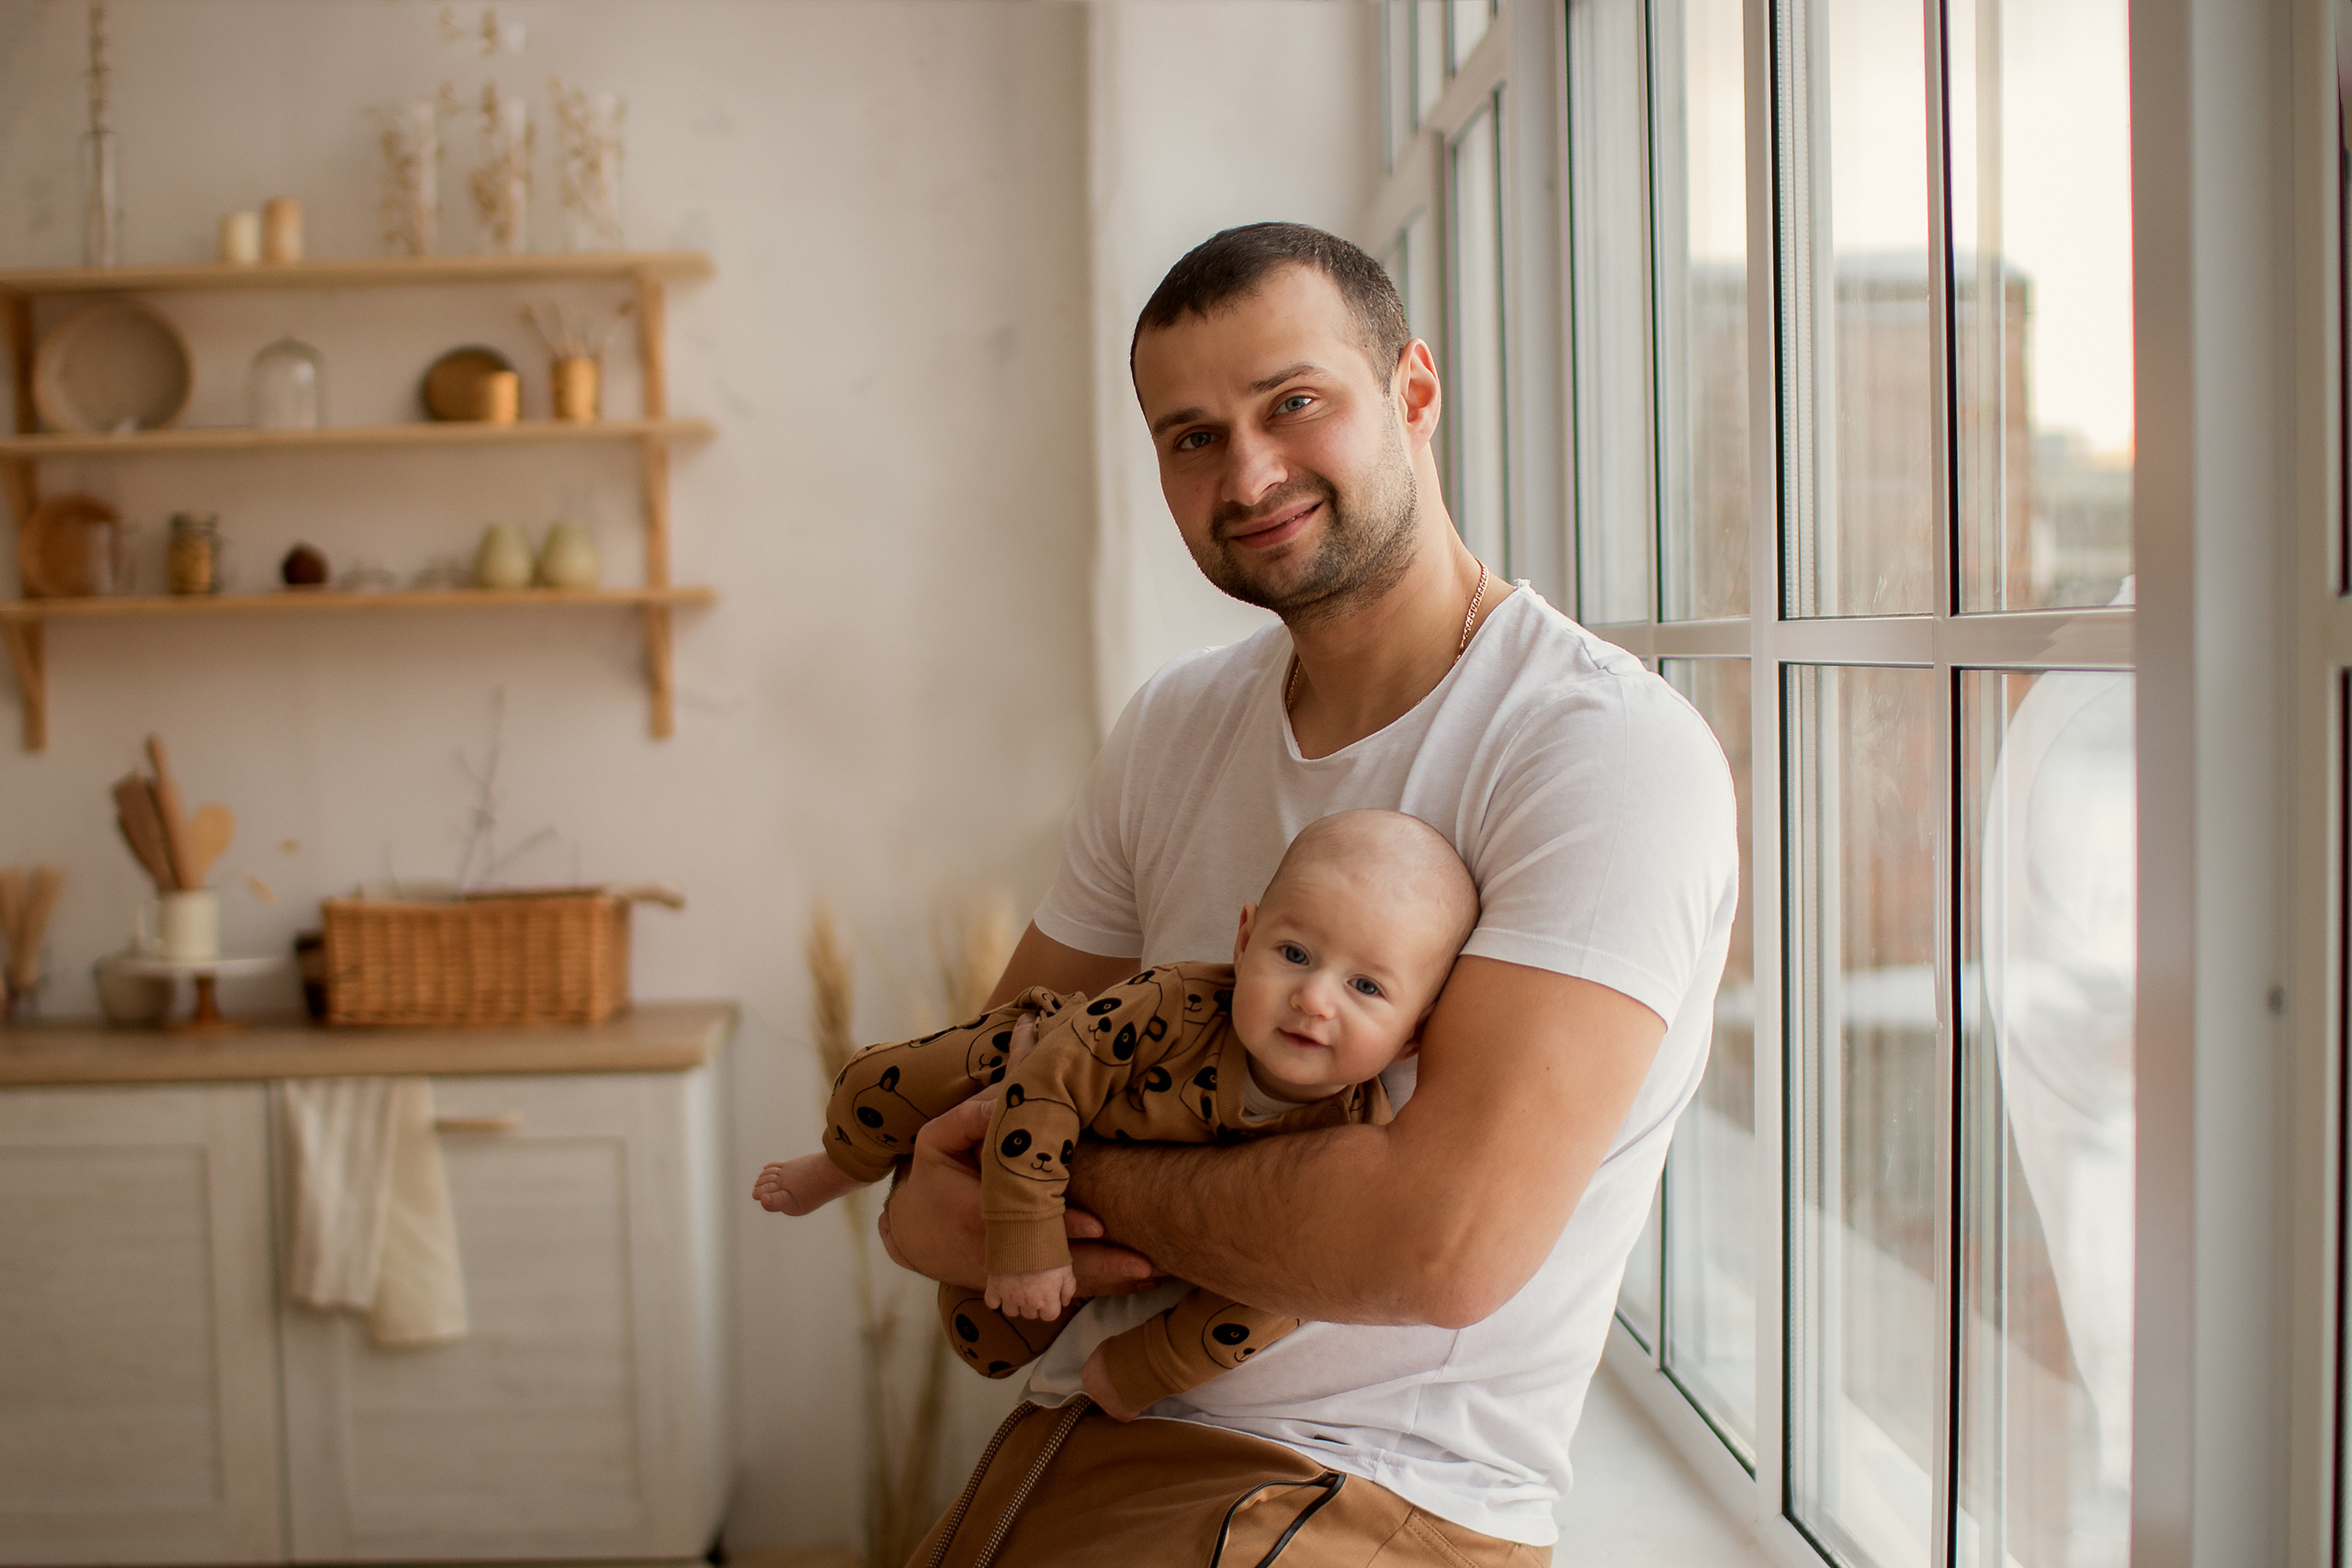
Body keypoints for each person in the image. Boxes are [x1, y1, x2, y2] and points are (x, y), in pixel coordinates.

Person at [877, 222, 1738, 1567]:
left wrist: (1046, 1173)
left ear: (1413, 391)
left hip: (1351, 1502)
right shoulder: (1175, 725)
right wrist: (981, 1176)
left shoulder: (1599, 750)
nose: (1250, 471)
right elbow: (959, 1116)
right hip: (1064, 1453)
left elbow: (1437, 1243)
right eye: (1191, 436)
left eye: (1293, 403)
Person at [753, 809, 1479, 1422]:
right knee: (890, 1084)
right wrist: (1028, 1237)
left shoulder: (1346, 1139)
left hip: (1080, 1201)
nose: (1315, 998)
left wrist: (1141, 1370)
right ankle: (841, 1164)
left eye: (1365, 986)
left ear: (1413, 1034)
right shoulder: (1176, 1003)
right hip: (1034, 1072)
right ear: (1244, 938)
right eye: (1294, 952)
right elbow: (1046, 1088)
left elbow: (1275, 1294)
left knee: (990, 1342)